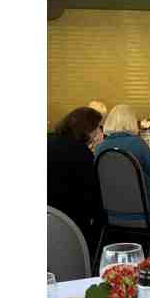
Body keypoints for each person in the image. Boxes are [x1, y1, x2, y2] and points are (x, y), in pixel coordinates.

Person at [94, 104, 150, 220]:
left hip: (112, 210)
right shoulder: (138, 143)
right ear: (132, 121)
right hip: (145, 208)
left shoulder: (99, 148)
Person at [47, 107, 105, 258]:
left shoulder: (48, 140)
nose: (99, 132)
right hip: (70, 222)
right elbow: (91, 196)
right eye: (97, 128)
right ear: (88, 130)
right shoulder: (81, 153)